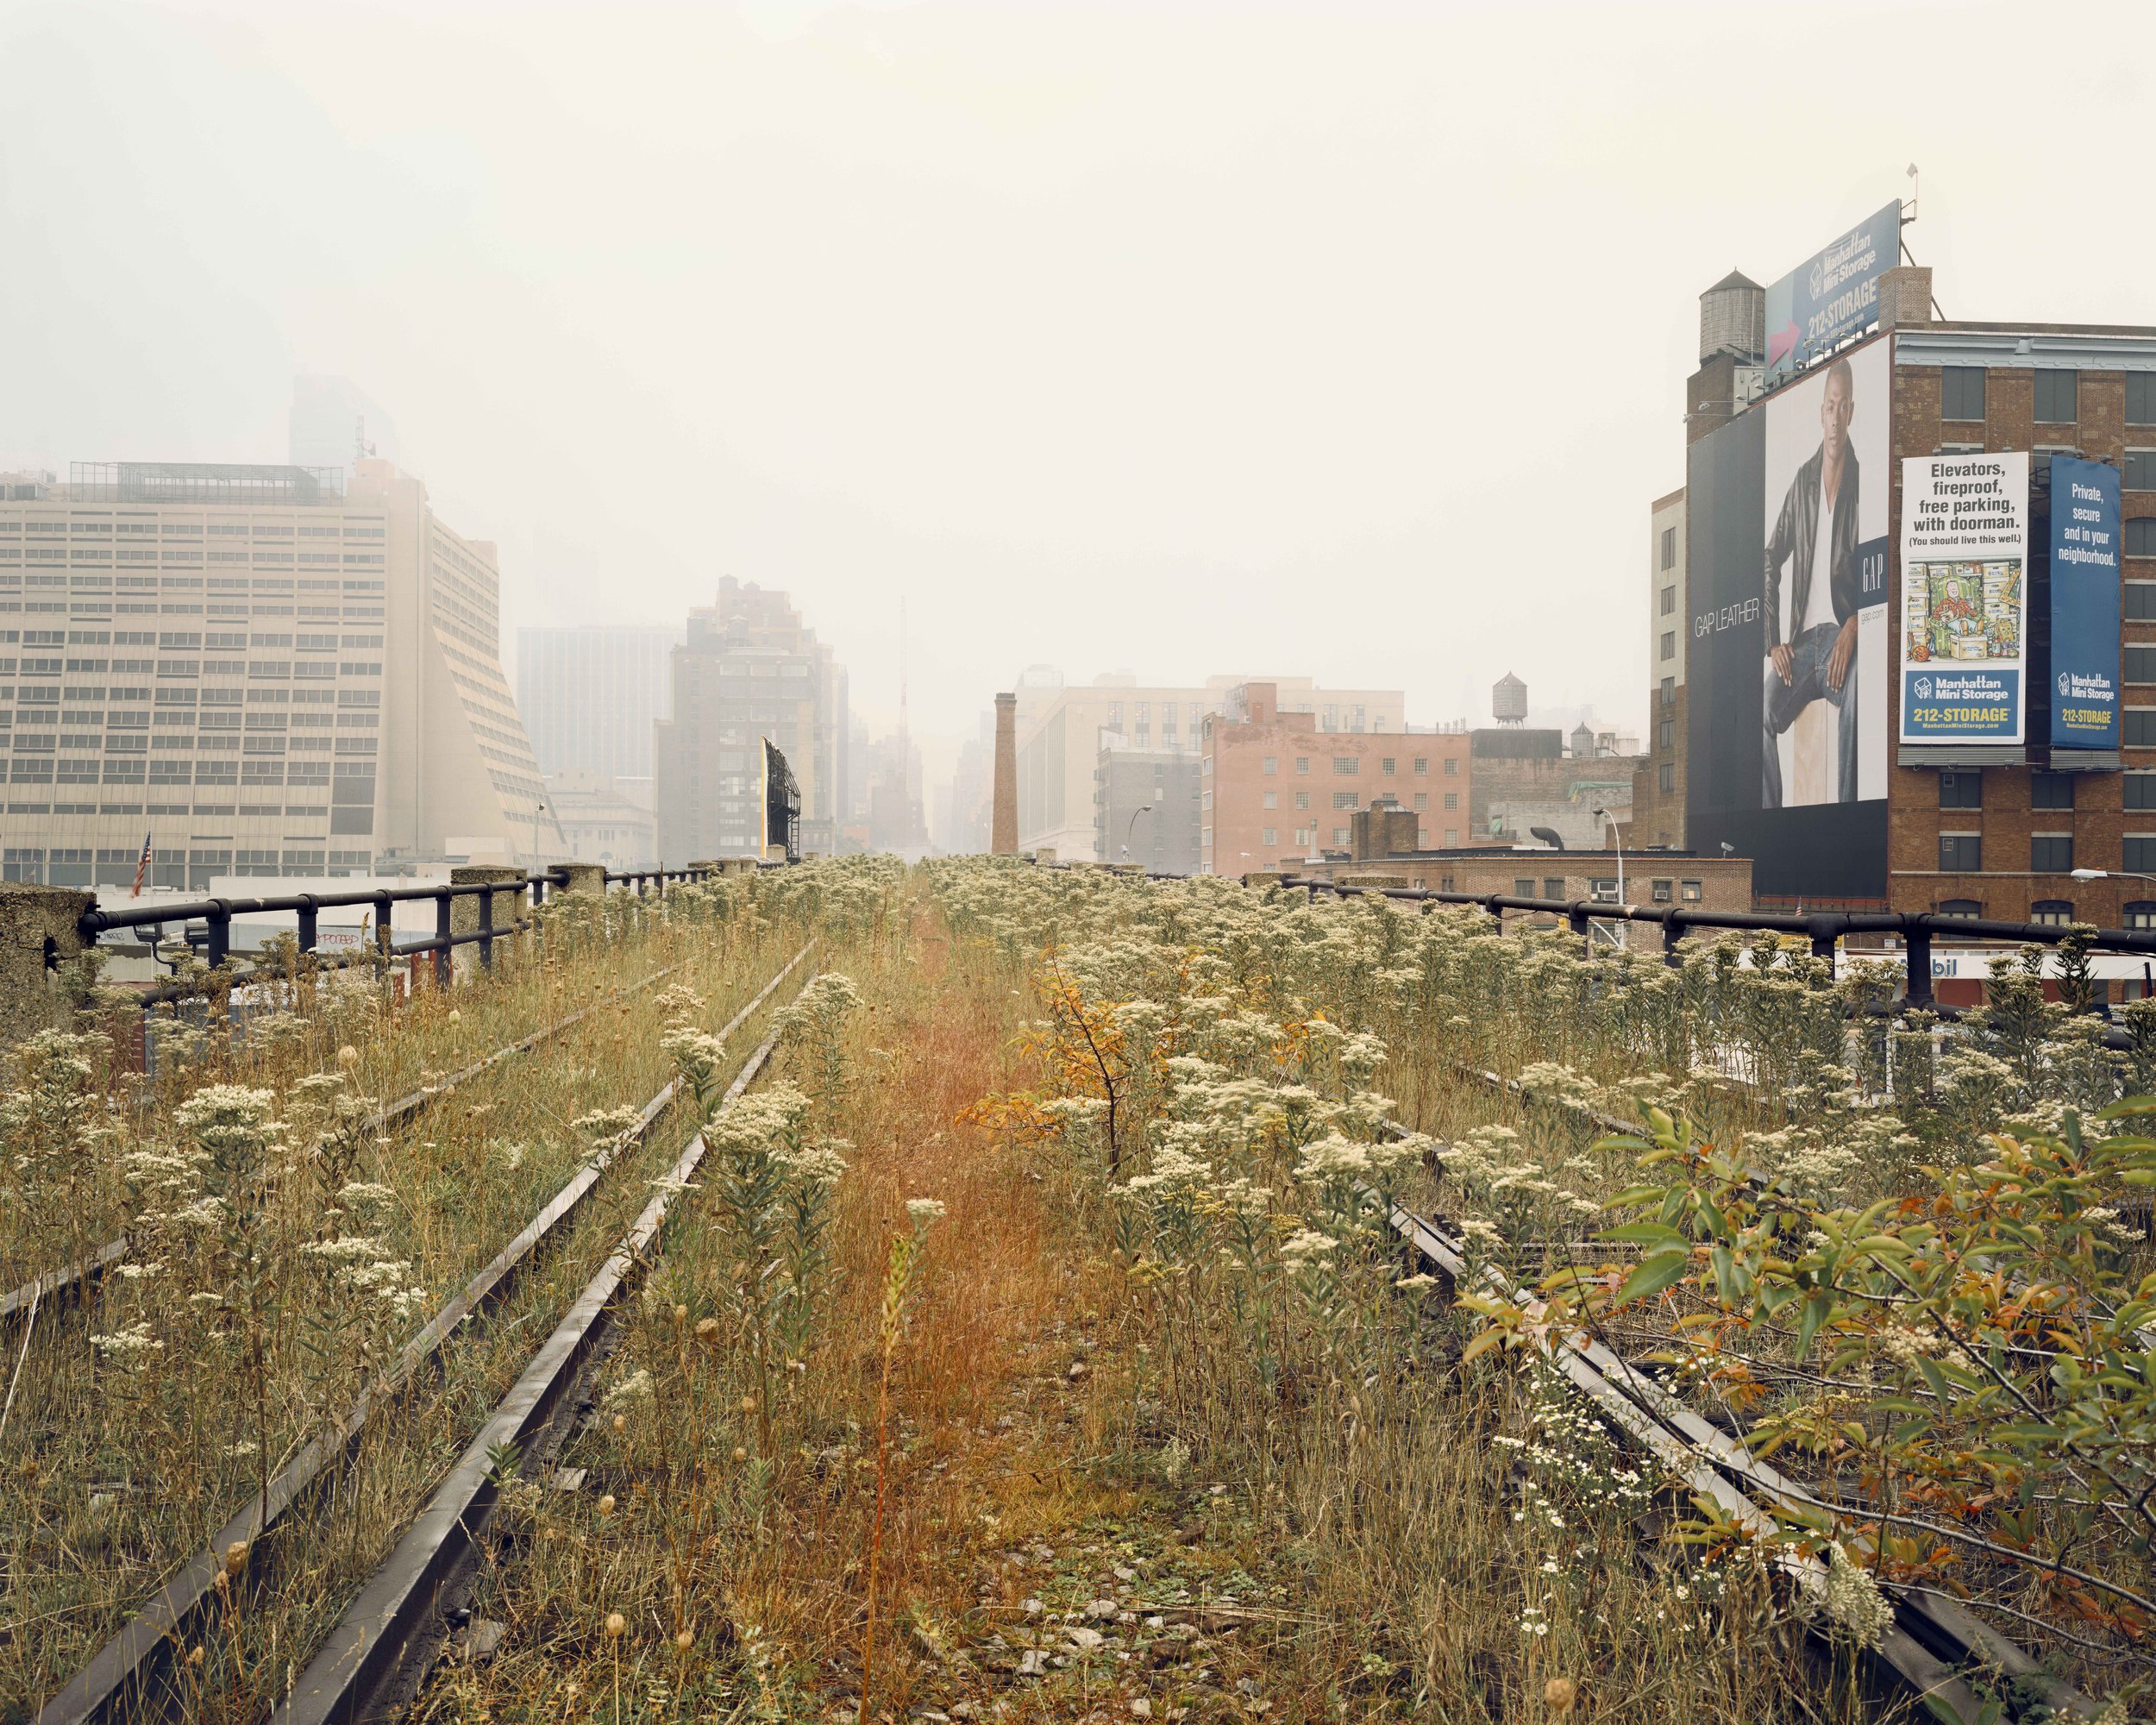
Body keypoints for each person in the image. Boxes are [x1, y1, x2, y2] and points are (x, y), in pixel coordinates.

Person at [1762, 356, 1861, 806]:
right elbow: (1770, 558)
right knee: (1762, 712)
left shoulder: (1865, 480)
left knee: (1857, 703)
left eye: (1843, 407)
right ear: (1821, 413)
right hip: (1803, 648)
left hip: (1843, 636)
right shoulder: (1802, 481)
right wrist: (1773, 641)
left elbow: (1886, 569)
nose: (1835, 418)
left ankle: (1847, 821)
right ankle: (1772, 824)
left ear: (1852, 412)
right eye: (1829, 407)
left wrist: (1855, 625)